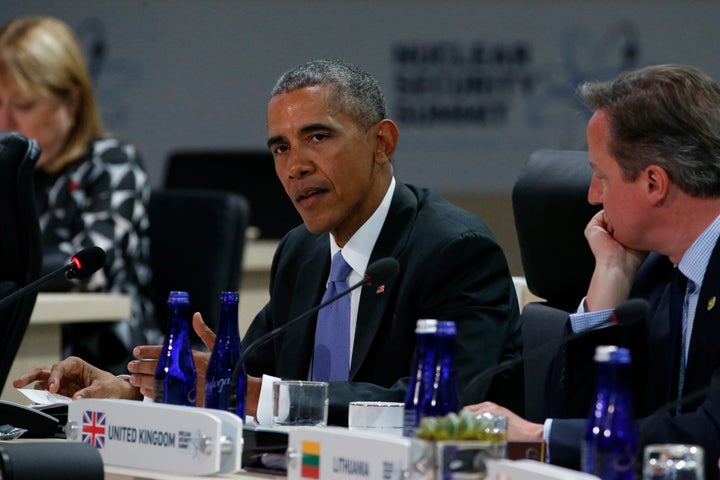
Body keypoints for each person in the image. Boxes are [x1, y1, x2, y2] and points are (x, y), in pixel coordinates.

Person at [15, 59, 523, 425]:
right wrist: (133, 388)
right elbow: (243, 372)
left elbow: (442, 402)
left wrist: (268, 398)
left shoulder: (455, 251)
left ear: (381, 144)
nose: (294, 165)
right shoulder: (301, 252)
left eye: (317, 137)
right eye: (280, 147)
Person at [468, 64, 720, 480]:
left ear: (654, 183)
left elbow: (709, 435)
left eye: (601, 175)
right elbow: (578, 415)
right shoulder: (657, 274)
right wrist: (611, 275)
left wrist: (539, 436)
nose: (591, 195)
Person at [0, 16, 159, 374]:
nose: (6, 122)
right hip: (23, 341)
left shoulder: (114, 162)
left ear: (70, 102)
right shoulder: (8, 174)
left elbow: (87, 269)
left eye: (23, 105)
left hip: (111, 361)